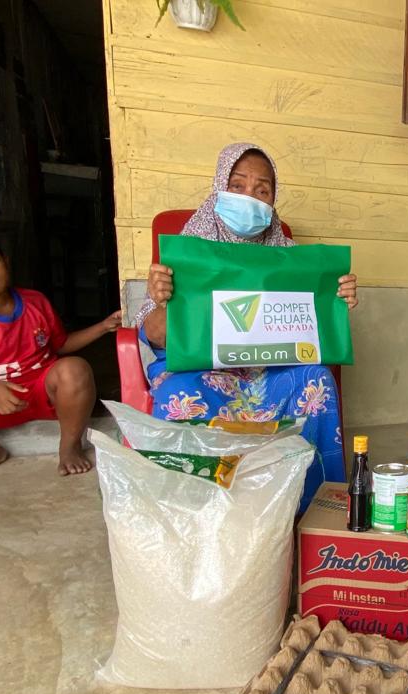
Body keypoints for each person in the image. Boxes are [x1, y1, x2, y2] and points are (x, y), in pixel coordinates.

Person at [135, 142, 356, 510]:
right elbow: (155, 335)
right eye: (237, 186)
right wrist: (161, 301)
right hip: (201, 371)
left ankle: (316, 510)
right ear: (219, 187)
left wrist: (337, 298)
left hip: (266, 371)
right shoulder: (187, 253)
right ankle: (195, 510)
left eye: (262, 190)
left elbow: (310, 331)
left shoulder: (288, 258)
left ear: (273, 201)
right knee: (180, 393)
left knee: (317, 380)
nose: (249, 197)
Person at [0, 224, 121, 479]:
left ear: (6, 260)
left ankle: (69, 446)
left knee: (75, 368)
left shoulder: (35, 301)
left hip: (41, 394)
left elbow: (60, 345)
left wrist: (103, 327)